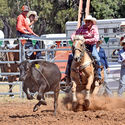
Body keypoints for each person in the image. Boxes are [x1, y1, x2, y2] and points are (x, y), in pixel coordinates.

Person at [65, 15, 102, 83]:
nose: (87, 23)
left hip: (91, 45)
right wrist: (73, 38)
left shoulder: (94, 28)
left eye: (89, 22)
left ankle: (98, 75)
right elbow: (75, 34)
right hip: (82, 46)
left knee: (96, 57)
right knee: (71, 56)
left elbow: (96, 39)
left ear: (92, 22)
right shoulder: (82, 27)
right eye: (86, 22)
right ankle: (67, 75)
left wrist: (86, 40)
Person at [118, 31, 125, 96]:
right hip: (123, 67)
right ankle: (119, 96)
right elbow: (118, 60)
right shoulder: (120, 51)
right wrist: (123, 61)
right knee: (122, 83)